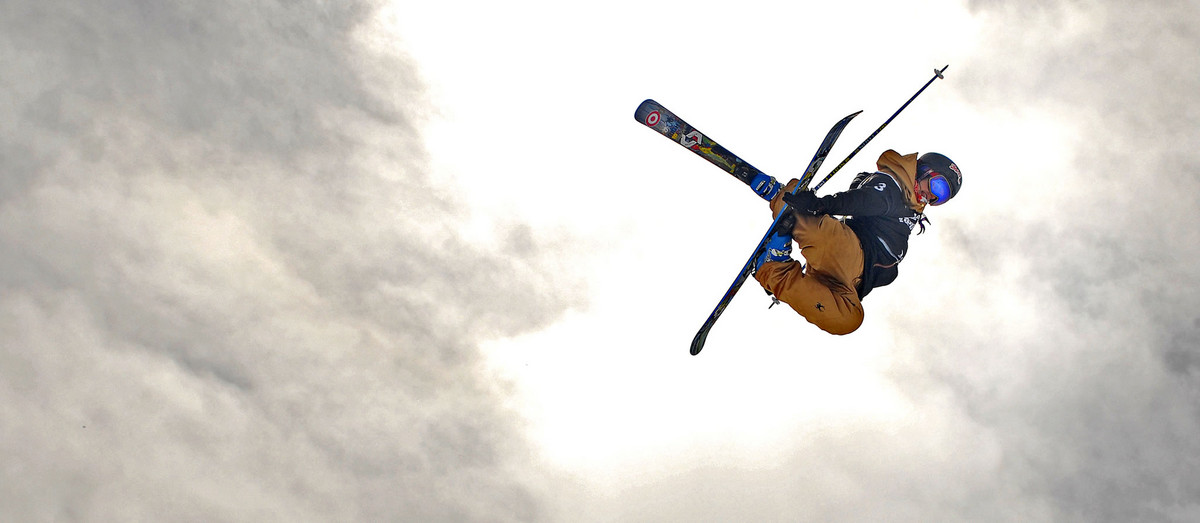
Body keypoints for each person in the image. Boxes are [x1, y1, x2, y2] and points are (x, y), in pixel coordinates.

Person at [748, 150, 962, 335]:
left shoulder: (909, 205)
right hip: (849, 252)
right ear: (923, 170)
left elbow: (863, 196)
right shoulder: (894, 185)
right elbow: (867, 201)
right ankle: (782, 196)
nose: (931, 197)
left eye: (940, 198)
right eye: (938, 186)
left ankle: (772, 269)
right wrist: (822, 205)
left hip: (848, 284)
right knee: (822, 233)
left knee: (848, 320)